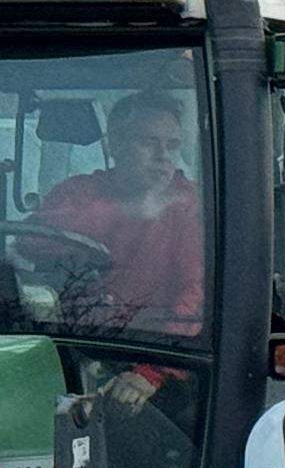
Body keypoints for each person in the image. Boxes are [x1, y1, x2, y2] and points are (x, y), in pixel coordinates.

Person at [39, 92, 208, 336]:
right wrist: (124, 210)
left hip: (149, 348)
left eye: (172, 145)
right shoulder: (78, 191)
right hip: (69, 337)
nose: (163, 155)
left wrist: (151, 371)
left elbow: (194, 293)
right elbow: (30, 242)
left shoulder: (189, 204)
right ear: (115, 144)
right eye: (148, 142)